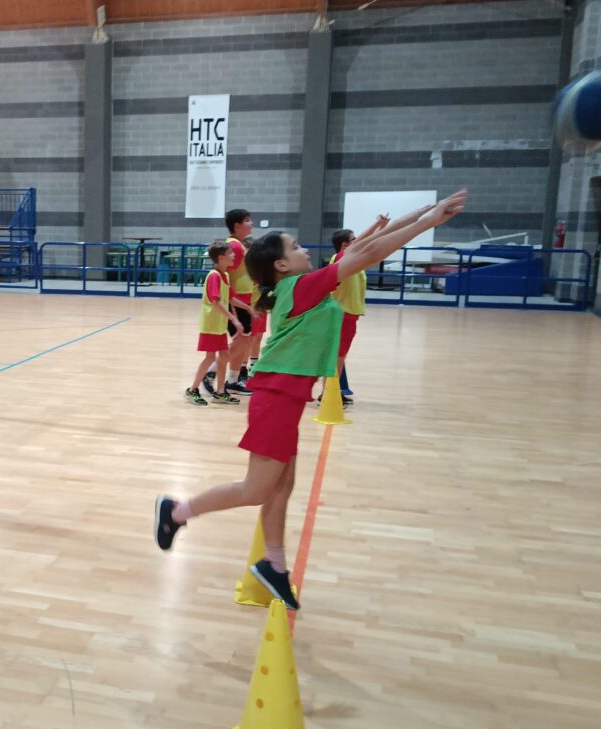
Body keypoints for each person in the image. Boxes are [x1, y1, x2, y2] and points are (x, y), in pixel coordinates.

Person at [152, 191, 467, 611]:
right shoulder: (300, 287)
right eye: (296, 247)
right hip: (276, 398)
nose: (304, 250)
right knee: (256, 489)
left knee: (282, 486)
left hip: (287, 398)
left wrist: (422, 214)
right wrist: (429, 221)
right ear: (281, 265)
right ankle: (176, 511)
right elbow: (369, 252)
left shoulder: (300, 285)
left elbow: (367, 244)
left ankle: (273, 564)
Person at [322, 218, 388, 405]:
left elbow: (369, 246)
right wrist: (376, 226)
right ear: (345, 245)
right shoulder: (340, 259)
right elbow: (363, 243)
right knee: (337, 357)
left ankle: (332, 391)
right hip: (341, 314)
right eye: (354, 239)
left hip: (349, 315)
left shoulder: (353, 263)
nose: (358, 241)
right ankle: (327, 395)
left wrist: (380, 229)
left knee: (340, 356)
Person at [185, 241, 249, 406]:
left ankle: (220, 392)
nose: (233, 256)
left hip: (219, 325)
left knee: (224, 356)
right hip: (211, 325)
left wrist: (249, 308)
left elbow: (231, 298)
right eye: (230, 253)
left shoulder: (225, 275)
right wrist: (234, 319)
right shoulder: (214, 276)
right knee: (210, 358)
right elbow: (216, 302)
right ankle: (192, 389)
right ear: (221, 258)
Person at [204, 209, 258, 396]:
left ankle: (233, 380)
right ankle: (211, 371)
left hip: (244, 299)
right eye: (248, 220)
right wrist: (230, 300)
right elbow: (225, 272)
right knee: (241, 340)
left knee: (244, 341)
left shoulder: (239, 245)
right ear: (237, 225)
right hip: (237, 300)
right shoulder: (234, 246)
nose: (251, 223)